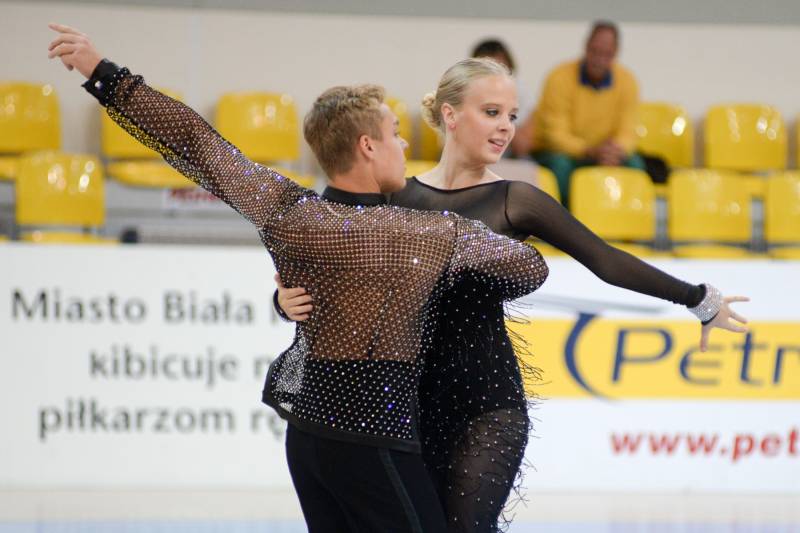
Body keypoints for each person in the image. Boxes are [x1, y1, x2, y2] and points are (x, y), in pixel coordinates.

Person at [47, 23, 552, 533]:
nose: (404, 143)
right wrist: (460, 250)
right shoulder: (424, 234)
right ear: (368, 146)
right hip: (372, 437)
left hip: (306, 437)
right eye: (395, 133)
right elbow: (530, 268)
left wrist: (102, 75)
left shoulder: (290, 214)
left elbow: (195, 142)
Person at [275, 57, 749, 532]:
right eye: (492, 112)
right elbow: (333, 273)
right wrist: (282, 302)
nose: (506, 127)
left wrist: (698, 299)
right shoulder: (399, 198)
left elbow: (605, 259)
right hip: (407, 405)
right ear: (450, 115)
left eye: (512, 115)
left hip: (487, 406)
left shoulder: (515, 200)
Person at [530, 21, 645, 208]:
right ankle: (563, 218)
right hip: (563, 153)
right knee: (561, 165)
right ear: (586, 47)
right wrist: (588, 150)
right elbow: (555, 135)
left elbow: (629, 131)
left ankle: (628, 218)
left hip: (605, 153)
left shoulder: (628, 81)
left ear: (615, 53)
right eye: (595, 51)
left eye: (606, 54)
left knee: (635, 164)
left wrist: (616, 150)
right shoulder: (559, 77)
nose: (599, 59)